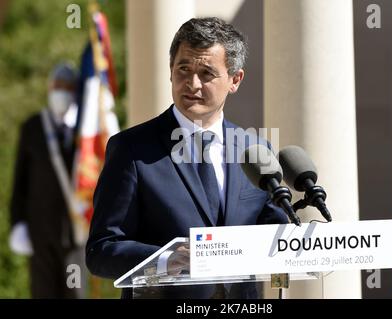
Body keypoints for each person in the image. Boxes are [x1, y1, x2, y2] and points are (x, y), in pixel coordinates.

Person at [86, 17, 288, 299]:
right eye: (183, 69)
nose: (192, 83)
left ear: (235, 80)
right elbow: (101, 251)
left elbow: (277, 237)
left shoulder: (255, 151)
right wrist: (165, 259)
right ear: (171, 71)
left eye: (207, 73)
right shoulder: (131, 149)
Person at [9, 62, 85, 298]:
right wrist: (17, 222)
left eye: (67, 86)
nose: (61, 91)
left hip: (77, 235)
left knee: (75, 293)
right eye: (57, 85)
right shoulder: (32, 128)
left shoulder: (86, 129)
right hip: (40, 233)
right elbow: (19, 183)